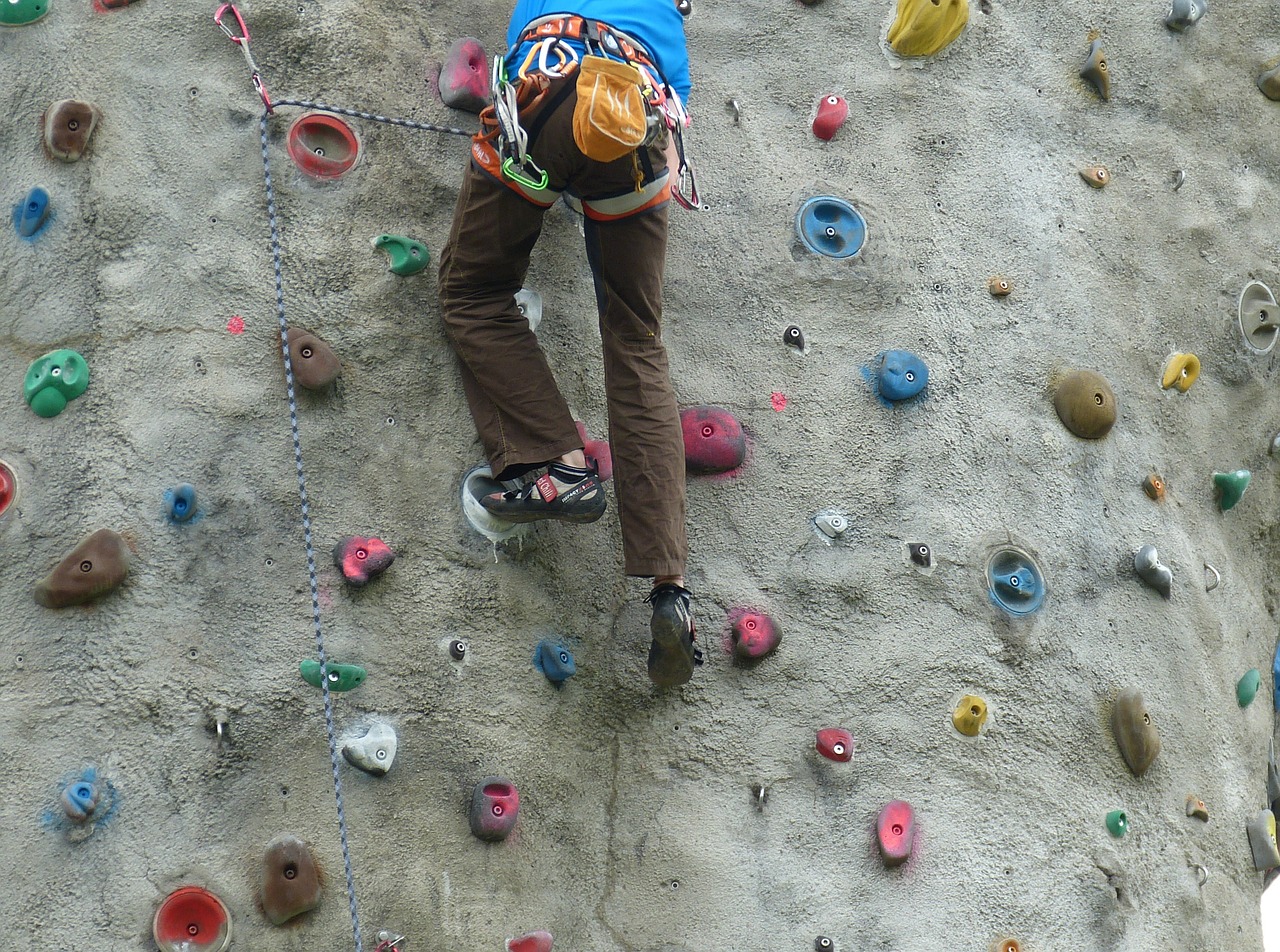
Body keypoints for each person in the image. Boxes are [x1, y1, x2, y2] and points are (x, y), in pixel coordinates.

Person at [437, 0, 701, 687]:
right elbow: (670, 141)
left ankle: (557, 465)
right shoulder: (669, 31)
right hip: (639, 117)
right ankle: (671, 589)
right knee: (636, 340)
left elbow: (526, 54)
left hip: (552, 83)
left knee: (473, 289)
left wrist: (547, 174)